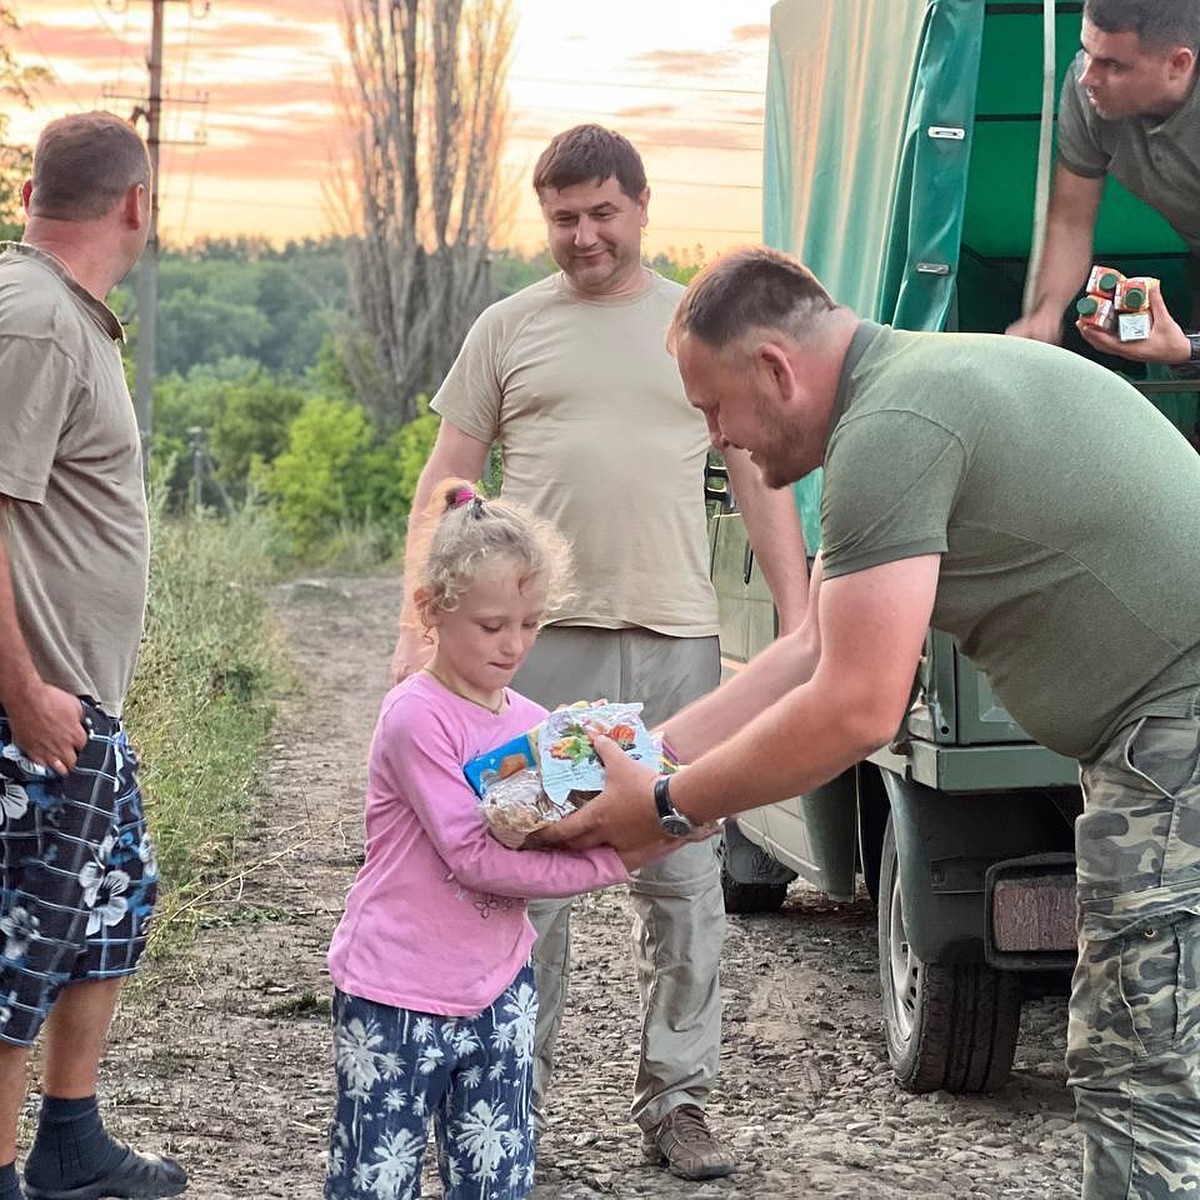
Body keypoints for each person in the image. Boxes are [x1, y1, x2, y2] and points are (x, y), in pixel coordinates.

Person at [536, 246, 1200, 1200]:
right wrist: (650, 754)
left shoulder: (887, 430)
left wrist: (671, 807)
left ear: (775, 368)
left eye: (716, 408)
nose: (723, 438)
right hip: (1162, 730)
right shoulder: (918, 385)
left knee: (1145, 1074)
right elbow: (811, 649)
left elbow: (855, 705)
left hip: (1178, 727)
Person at [389, 125, 809, 1179]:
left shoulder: (690, 327)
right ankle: (507, 1101)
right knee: (528, 877)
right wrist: (417, 631)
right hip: (534, 651)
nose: (583, 235)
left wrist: (803, 625)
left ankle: (679, 1104)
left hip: (673, 638)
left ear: (640, 206)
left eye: (601, 213)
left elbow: (758, 475)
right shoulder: (506, 328)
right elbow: (448, 480)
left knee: (683, 882)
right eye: (564, 216)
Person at [324, 481, 676, 1200]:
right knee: (375, 1183)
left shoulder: (535, 725)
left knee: (498, 1179)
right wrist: (618, 860)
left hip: (499, 987)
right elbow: (475, 859)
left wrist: (645, 796)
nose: (514, 644)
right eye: (491, 626)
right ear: (431, 612)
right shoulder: (415, 718)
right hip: (396, 990)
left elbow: (555, 833)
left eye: (529, 623)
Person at [0, 113, 188, 1200]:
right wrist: (22, 691)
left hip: (81, 707)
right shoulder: (30, 319)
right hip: (36, 706)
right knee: (22, 945)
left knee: (108, 911)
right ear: (134, 203)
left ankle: (71, 1143)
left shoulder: (62, 314)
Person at [1006, 0, 1200, 371]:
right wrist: (1046, 313)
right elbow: (1070, 219)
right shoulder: (1087, 90)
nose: (1086, 77)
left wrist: (1189, 349)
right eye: (1087, 50)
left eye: (1113, 65)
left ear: (1178, 64)